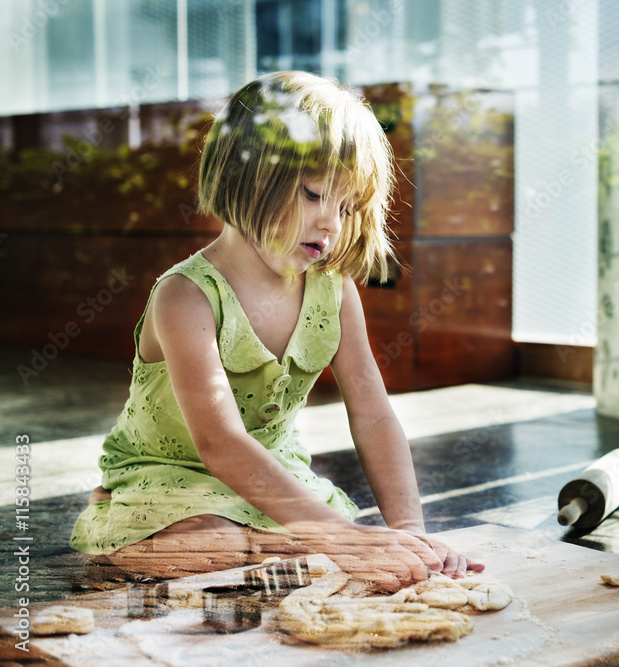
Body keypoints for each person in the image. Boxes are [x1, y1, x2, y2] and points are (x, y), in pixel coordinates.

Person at [70, 71, 483, 590]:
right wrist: (342, 540)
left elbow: (374, 414)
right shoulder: (186, 296)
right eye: (314, 194)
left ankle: (262, 539)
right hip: (169, 476)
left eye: (347, 206)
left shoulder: (334, 291)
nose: (332, 223)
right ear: (248, 178)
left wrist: (409, 532)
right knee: (221, 547)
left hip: (273, 475)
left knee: (317, 541)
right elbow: (219, 443)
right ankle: (115, 515)